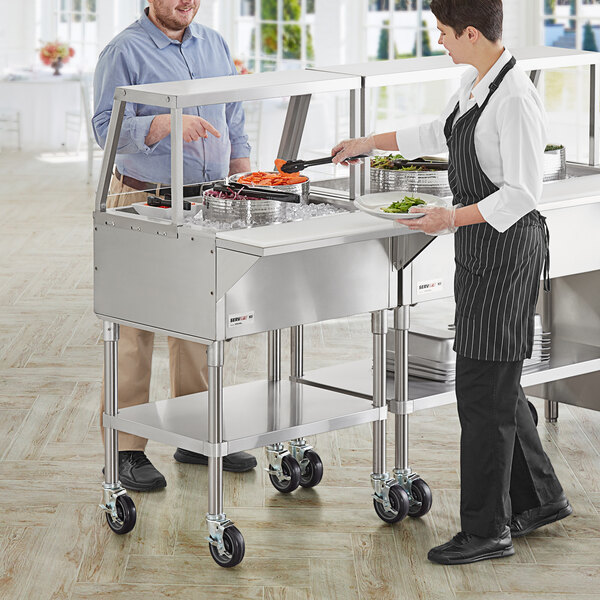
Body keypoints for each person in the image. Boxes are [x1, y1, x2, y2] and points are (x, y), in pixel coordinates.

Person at [332, 0, 571, 565]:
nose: (439, 40)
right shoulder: (478, 83)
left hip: (507, 252)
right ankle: (539, 499)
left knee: (481, 393)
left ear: (469, 32)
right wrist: (367, 143)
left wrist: (447, 218)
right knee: (498, 383)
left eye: (442, 32)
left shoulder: (514, 98)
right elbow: (433, 130)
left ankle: (486, 530)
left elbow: (522, 194)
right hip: (483, 252)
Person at [93, 0, 257, 492]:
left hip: (206, 198)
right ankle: (124, 450)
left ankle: (195, 432)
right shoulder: (123, 50)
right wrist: (163, 123)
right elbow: (103, 129)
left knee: (198, 316)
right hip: (144, 196)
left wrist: (244, 175)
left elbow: (233, 113)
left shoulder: (215, 43)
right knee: (135, 324)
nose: (188, 1)